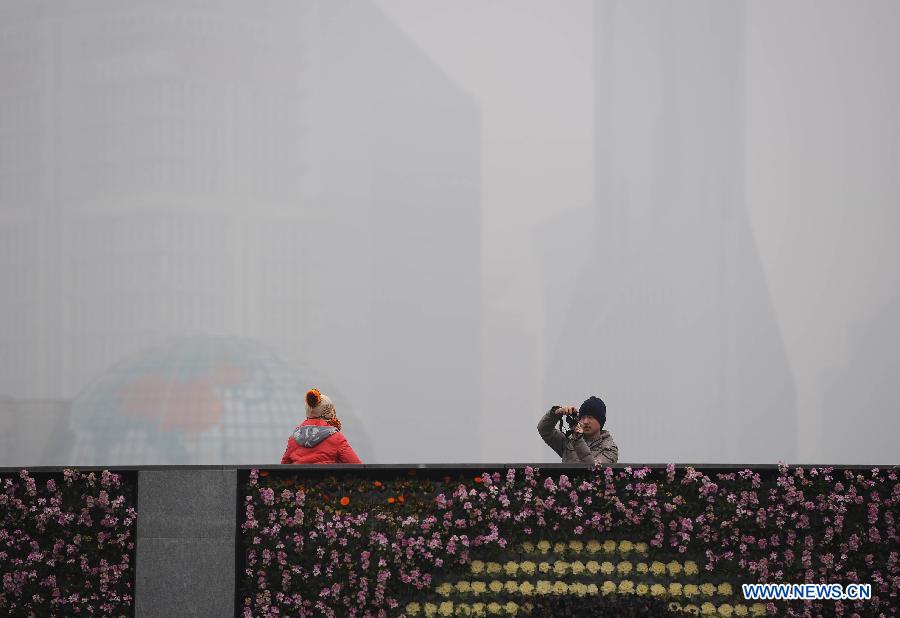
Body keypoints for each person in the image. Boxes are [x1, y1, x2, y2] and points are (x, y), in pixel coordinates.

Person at [281, 388, 362, 464]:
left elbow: (283, 468)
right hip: (326, 479)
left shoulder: (294, 439)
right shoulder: (336, 438)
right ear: (328, 413)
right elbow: (357, 466)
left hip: (299, 479)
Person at [537, 395, 618, 464]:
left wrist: (578, 440)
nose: (586, 422)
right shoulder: (569, 441)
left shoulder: (609, 449)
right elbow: (544, 429)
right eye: (582, 418)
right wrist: (557, 413)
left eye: (590, 417)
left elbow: (593, 471)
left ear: (600, 422)